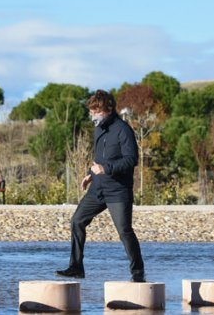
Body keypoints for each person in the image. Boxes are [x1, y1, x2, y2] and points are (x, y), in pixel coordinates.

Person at [56, 89, 146, 283]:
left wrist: (106, 169)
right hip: (97, 189)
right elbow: (99, 158)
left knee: (124, 231)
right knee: (77, 221)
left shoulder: (123, 130)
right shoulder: (99, 129)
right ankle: (76, 267)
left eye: (95, 111)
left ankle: (138, 273)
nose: (92, 114)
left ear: (106, 109)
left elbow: (131, 160)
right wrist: (90, 175)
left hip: (118, 191)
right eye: (91, 110)